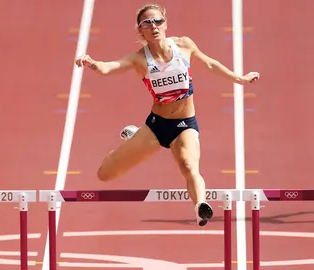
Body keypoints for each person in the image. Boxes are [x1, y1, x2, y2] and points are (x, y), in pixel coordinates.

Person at [75, 3, 260, 226]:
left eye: (157, 21)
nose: (153, 26)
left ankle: (201, 206)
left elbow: (210, 64)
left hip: (185, 124)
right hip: (156, 126)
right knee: (105, 174)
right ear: (140, 30)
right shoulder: (140, 59)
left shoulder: (184, 45)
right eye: (147, 23)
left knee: (190, 166)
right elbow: (110, 67)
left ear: (165, 24)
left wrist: (239, 79)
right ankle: (131, 140)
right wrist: (93, 63)